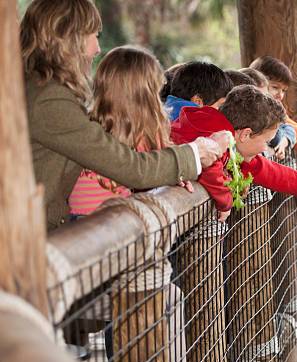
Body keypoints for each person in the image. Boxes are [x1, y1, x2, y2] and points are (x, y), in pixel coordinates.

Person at [20, 0, 228, 230]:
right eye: (93, 35)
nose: (97, 48)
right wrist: (195, 154)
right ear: (69, 38)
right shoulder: (49, 100)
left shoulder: (42, 91)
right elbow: (129, 167)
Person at [171, 85, 297, 222]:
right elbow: (211, 167)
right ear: (245, 134)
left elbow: (276, 174)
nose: (266, 149)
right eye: (266, 142)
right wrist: (225, 202)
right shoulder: (215, 137)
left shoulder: (234, 145)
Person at [69, 46, 192, 216]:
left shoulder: (89, 126)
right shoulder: (143, 132)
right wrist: (174, 173)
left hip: (76, 224)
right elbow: (152, 173)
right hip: (114, 224)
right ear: (146, 97)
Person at [249, 56, 297, 152]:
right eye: (275, 87)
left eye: (284, 90)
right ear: (256, 84)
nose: (280, 95)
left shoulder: (276, 114)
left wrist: (286, 136)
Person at [164, 61, 232, 121]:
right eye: (220, 106)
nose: (223, 112)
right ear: (198, 101)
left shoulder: (163, 116)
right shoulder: (200, 128)